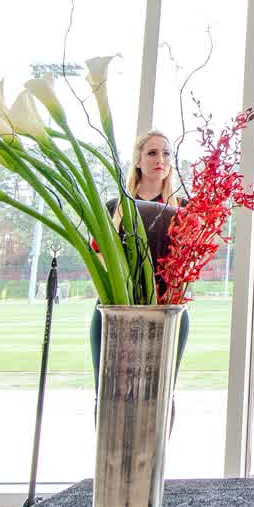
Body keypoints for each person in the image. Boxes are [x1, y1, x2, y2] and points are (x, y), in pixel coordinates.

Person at [88, 131, 187, 379]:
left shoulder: (184, 210)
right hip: (116, 310)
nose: (160, 160)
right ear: (138, 160)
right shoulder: (114, 207)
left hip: (166, 311)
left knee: (161, 394)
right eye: (152, 153)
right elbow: (98, 256)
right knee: (108, 392)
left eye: (166, 153)